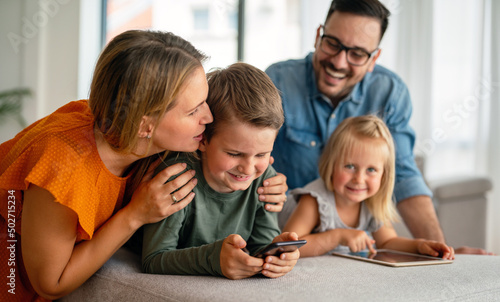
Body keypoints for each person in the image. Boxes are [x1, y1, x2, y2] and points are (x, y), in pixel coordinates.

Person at [0, 30, 286, 301]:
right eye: (194, 110)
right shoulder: (64, 165)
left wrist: (264, 179)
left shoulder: (140, 138)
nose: (209, 117)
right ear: (144, 124)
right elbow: (51, 284)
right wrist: (134, 215)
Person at [265, 0, 447, 246]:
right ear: (318, 36)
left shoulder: (390, 92)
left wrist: (442, 251)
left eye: (357, 54)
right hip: (286, 232)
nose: (339, 62)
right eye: (332, 43)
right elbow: (250, 160)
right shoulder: (277, 81)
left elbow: (403, 174)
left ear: (374, 58)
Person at [142, 62, 300, 280]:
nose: (248, 168)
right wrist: (213, 259)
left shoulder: (265, 180)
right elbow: (154, 259)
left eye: (261, 155)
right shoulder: (177, 178)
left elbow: (260, 245)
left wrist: (274, 258)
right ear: (204, 139)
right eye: (235, 154)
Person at [282, 115, 455, 260]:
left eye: (371, 170)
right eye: (350, 166)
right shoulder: (314, 200)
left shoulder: (371, 203)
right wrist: (337, 237)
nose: (359, 179)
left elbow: (387, 242)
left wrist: (420, 245)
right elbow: (288, 247)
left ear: (383, 175)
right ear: (331, 165)